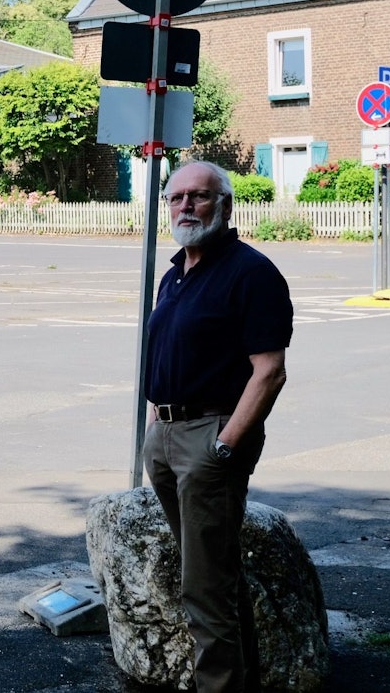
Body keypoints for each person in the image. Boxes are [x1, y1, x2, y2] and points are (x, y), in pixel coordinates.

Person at [142, 160, 292, 693]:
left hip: (211, 438)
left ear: (223, 206)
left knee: (204, 588)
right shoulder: (176, 271)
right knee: (209, 575)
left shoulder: (250, 273)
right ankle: (245, 680)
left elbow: (269, 372)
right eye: (177, 197)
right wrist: (156, 427)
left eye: (199, 197)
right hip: (165, 436)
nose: (186, 206)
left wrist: (224, 448)